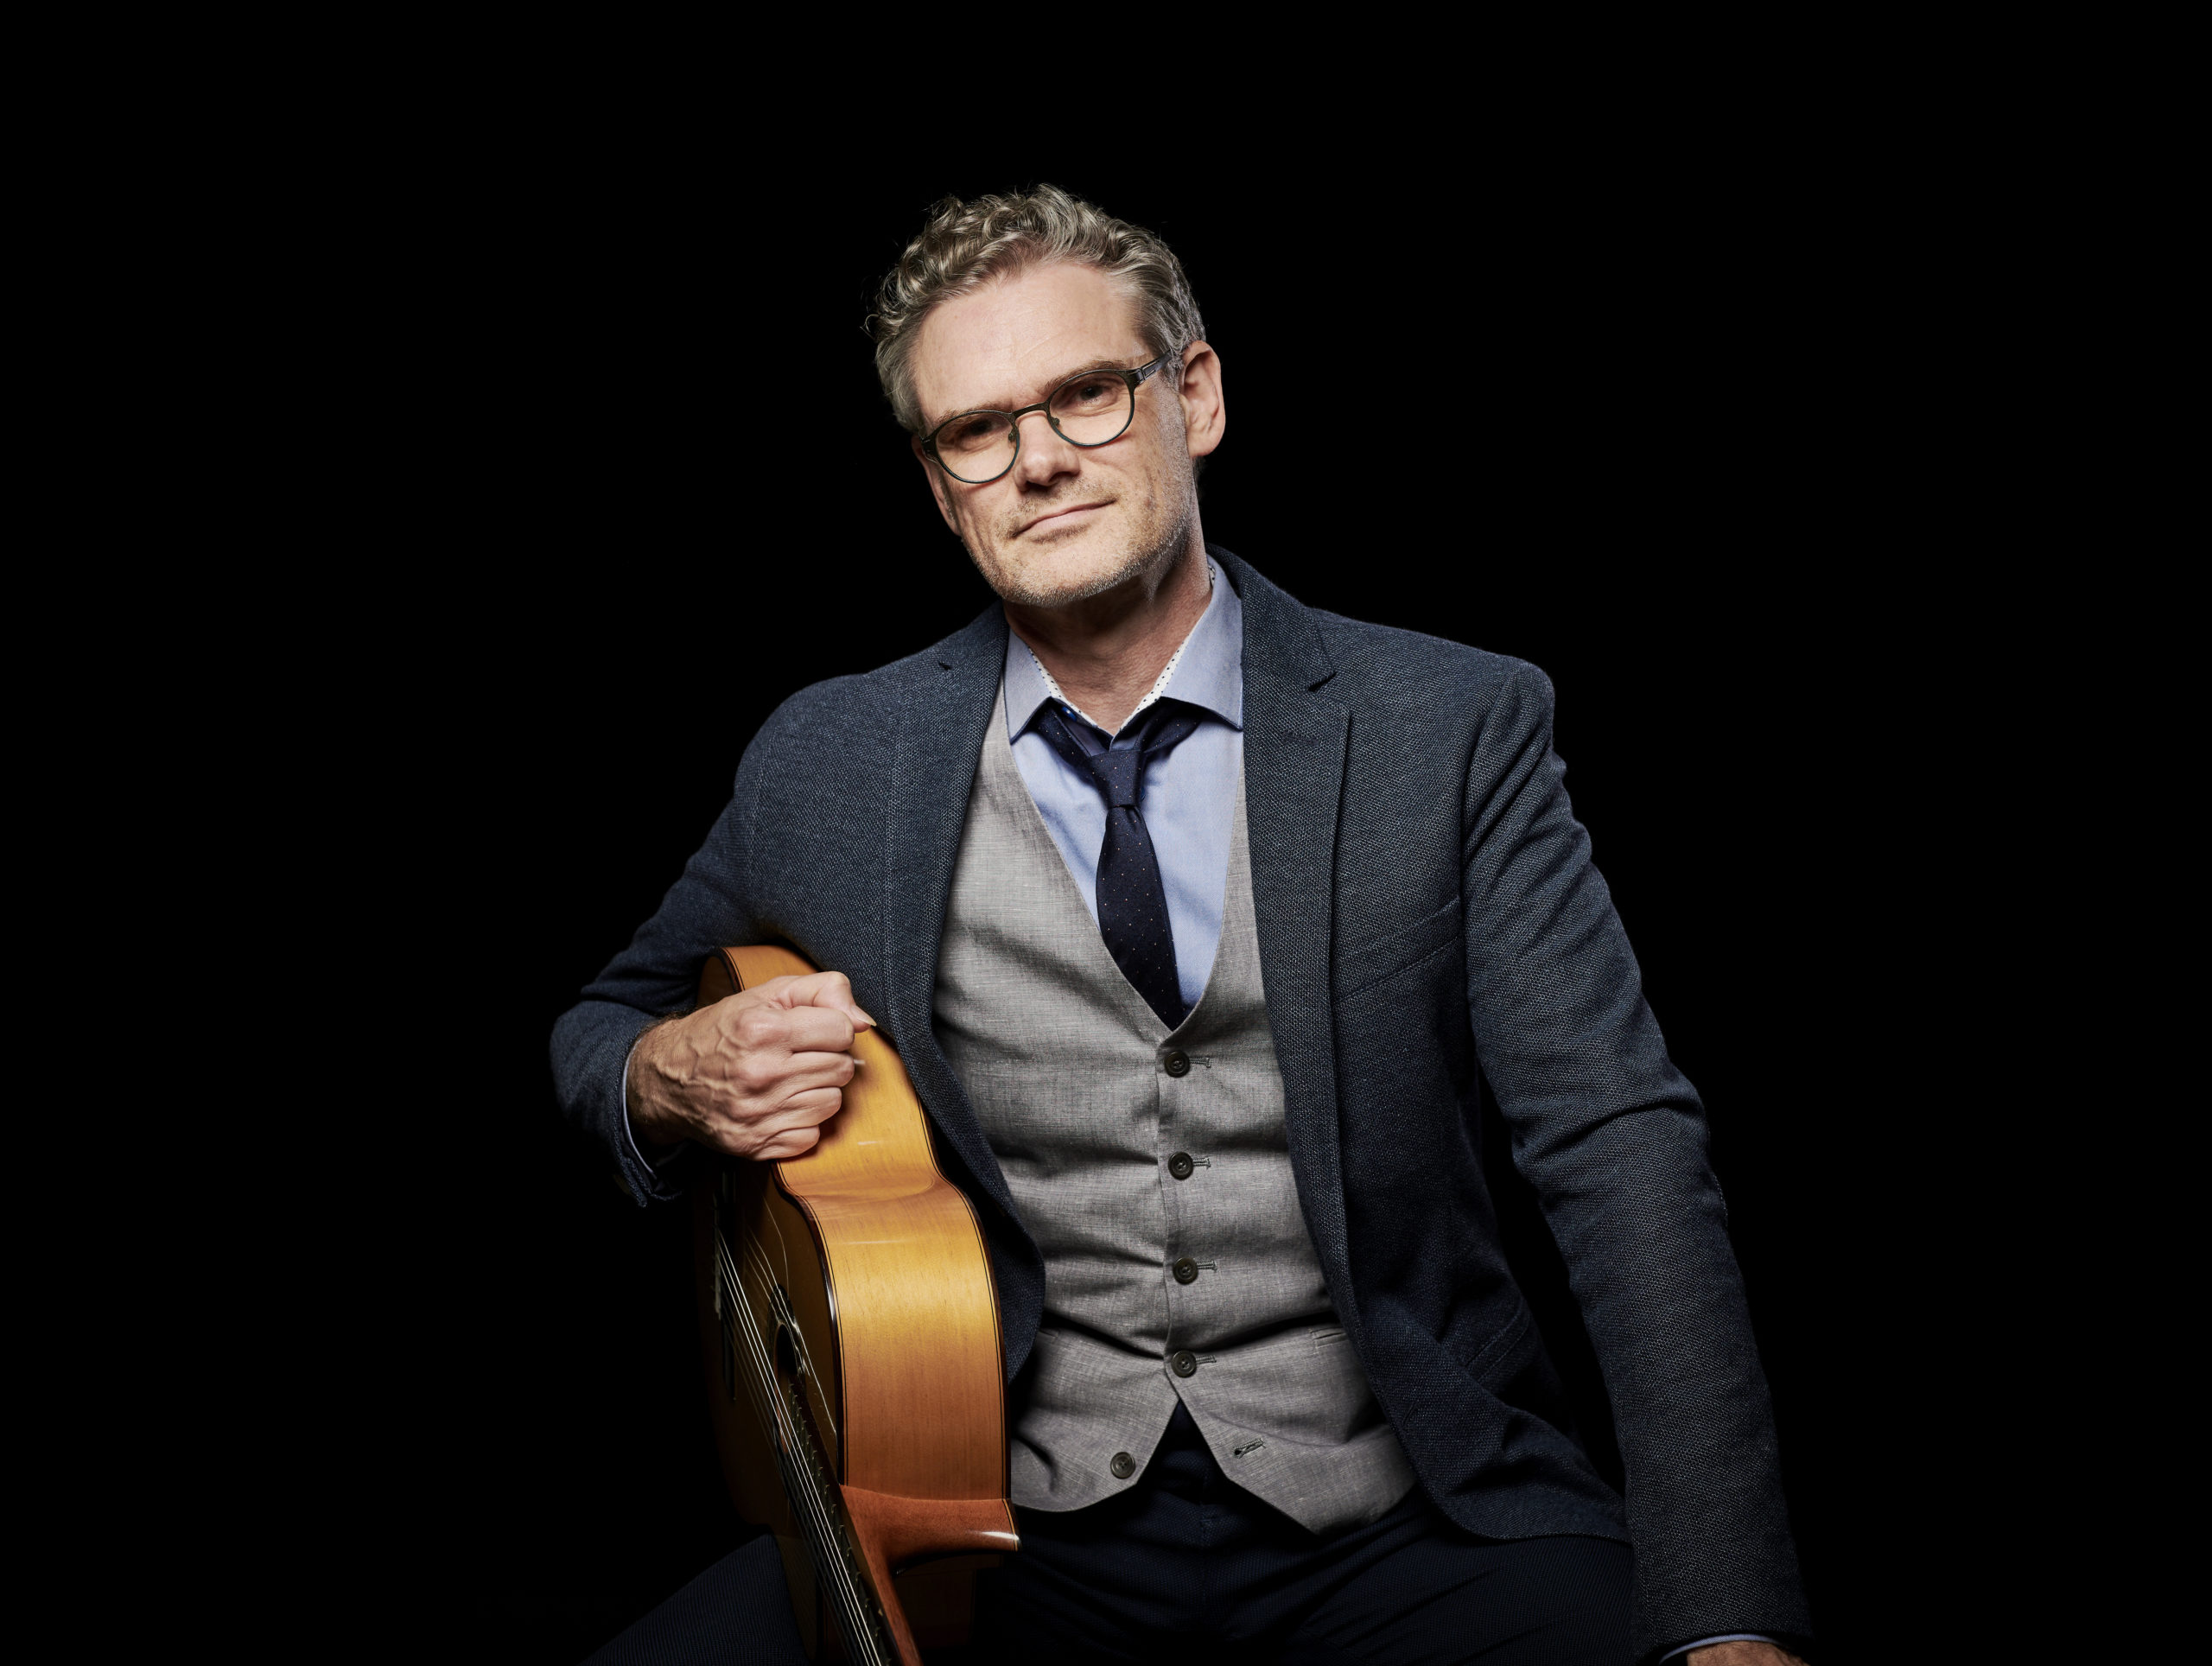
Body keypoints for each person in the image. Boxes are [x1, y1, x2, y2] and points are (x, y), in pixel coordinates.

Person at [552, 185, 1813, 1665]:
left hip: (1409, 1523)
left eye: (1086, 394)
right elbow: (600, 1027)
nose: (1038, 461)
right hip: (996, 1528)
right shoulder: (829, 762)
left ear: (1194, 396)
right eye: (979, 429)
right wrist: (664, 1077)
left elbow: (1620, 1151)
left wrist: (1731, 1613)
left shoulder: (1449, 726)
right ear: (938, 478)